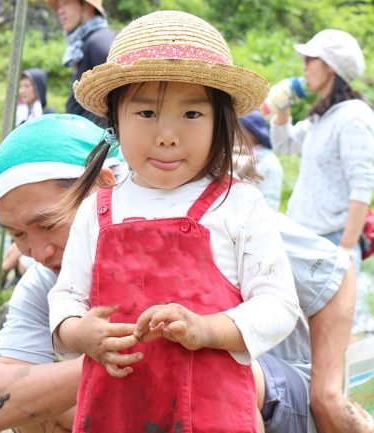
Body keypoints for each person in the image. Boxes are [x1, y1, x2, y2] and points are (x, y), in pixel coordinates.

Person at [0, 102, 372, 433]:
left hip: (273, 392)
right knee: (41, 415)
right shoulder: (47, 280)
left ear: (103, 183)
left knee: (205, 362)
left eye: (48, 224)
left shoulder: (220, 213)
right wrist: (104, 353)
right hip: (151, 401)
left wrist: (328, 395)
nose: (38, 251)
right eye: (17, 236)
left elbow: (335, 273)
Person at [47, 11, 299, 432]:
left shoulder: (239, 205)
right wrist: (79, 335)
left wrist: (208, 329)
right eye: (146, 114)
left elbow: (278, 306)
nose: (167, 135)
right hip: (115, 414)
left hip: (213, 415)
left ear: (221, 121)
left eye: (191, 115)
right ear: (115, 119)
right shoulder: (98, 209)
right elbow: (66, 298)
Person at [271, 29, 374, 272]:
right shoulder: (322, 117)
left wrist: (346, 249)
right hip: (305, 237)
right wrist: (282, 109)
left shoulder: (354, 116)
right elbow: (284, 147)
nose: (304, 67)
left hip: (333, 242)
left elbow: (362, 185)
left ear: (330, 66)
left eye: (310, 59)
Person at [47, 0, 115, 125]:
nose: (60, 11)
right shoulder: (84, 42)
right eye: (59, 6)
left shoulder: (98, 40)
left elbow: (117, 97)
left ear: (88, 7)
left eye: (65, 4)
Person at [237, 111, 284, 211]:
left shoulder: (268, 161)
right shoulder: (233, 156)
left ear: (252, 133)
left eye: (237, 128)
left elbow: (271, 202)